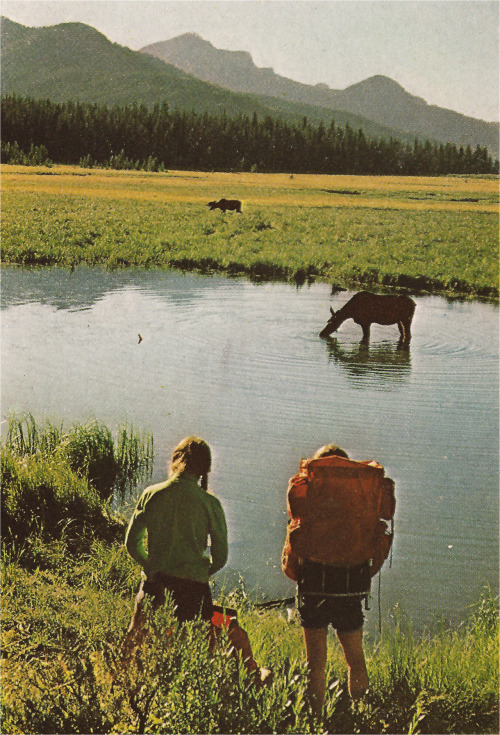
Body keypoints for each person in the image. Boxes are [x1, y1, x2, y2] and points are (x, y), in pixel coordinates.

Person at [122, 435, 269, 683]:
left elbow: (131, 544)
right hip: (195, 593)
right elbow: (220, 557)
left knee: (135, 633)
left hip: (154, 585)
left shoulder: (152, 494)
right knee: (218, 629)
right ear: (205, 469)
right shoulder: (210, 503)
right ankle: (250, 674)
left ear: (175, 460)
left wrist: (152, 567)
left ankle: (120, 678)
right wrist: (201, 573)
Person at [291, 444, 370, 717]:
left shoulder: (308, 507)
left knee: (315, 664)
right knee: (355, 661)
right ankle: (361, 715)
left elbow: (292, 561)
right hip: (349, 591)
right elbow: (373, 555)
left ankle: (314, 720)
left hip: (314, 588)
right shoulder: (360, 511)